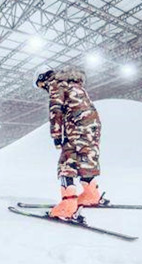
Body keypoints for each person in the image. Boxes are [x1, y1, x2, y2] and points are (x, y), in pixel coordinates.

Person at [35, 66, 103, 219]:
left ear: (42, 78)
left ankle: (68, 205)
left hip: (77, 126)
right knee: (86, 159)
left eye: (40, 86)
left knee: (67, 162)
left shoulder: (55, 84)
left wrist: (57, 135)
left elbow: (56, 111)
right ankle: (91, 195)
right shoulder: (75, 84)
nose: (43, 89)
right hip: (93, 126)